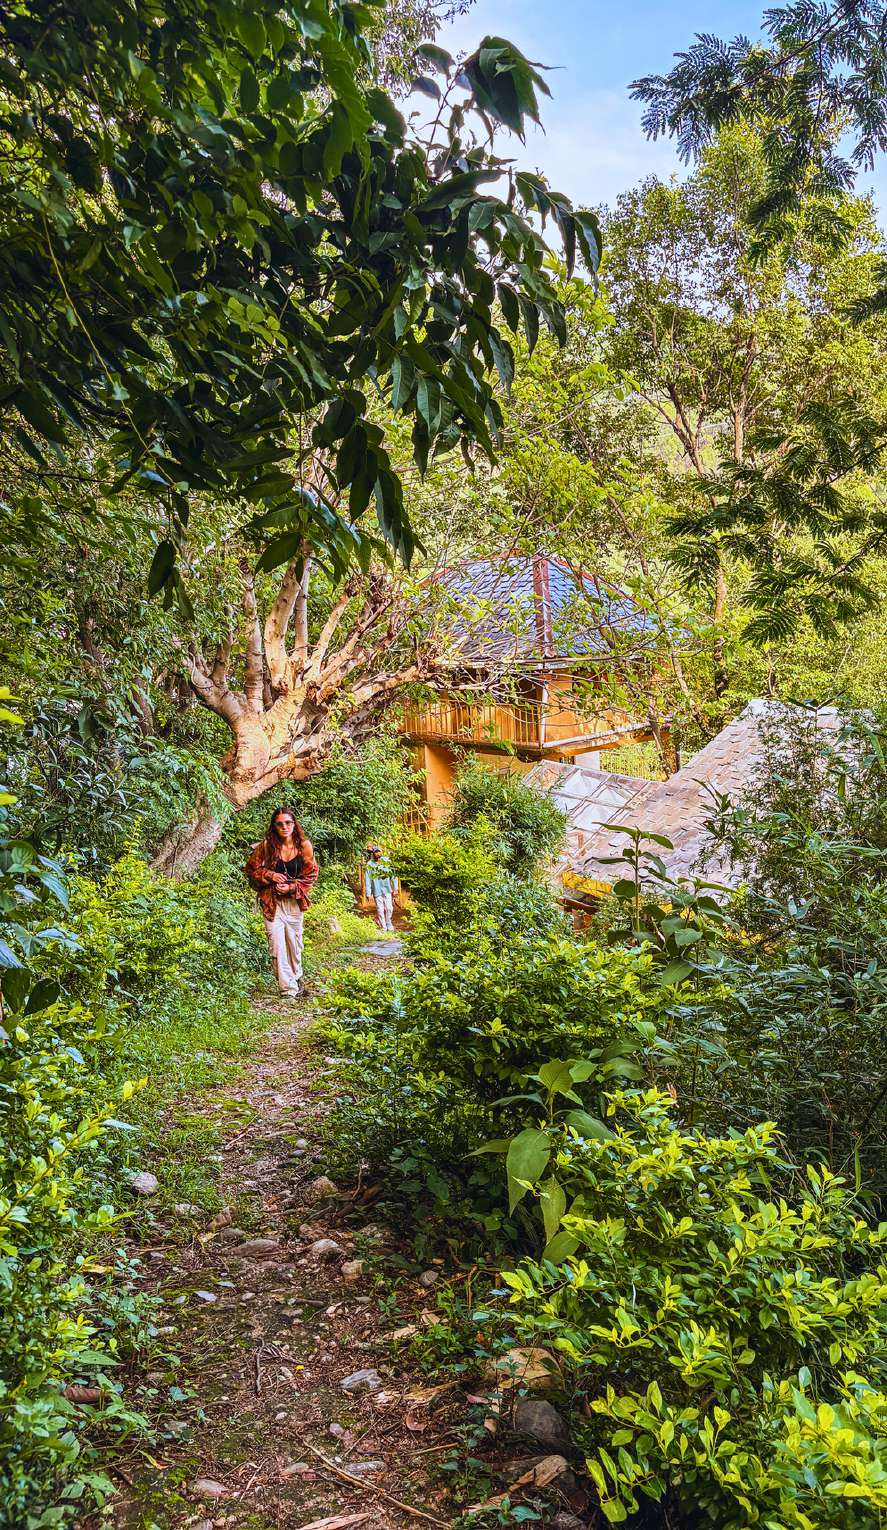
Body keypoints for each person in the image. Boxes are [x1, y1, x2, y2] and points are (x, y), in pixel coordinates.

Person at [245, 808, 318, 997]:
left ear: (294, 824)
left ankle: (296, 978)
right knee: (276, 944)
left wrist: (292, 887)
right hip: (272, 902)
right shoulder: (267, 846)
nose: (284, 827)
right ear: (274, 826)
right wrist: (270, 875)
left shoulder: (304, 846)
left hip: (294, 902)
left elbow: (311, 875)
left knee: (294, 944)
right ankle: (287, 989)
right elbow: (251, 869)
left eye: (288, 823)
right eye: (279, 824)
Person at [364, 844, 398, 933]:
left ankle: (388, 923)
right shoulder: (369, 864)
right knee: (380, 909)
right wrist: (368, 893)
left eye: (379, 851)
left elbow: (393, 876)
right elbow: (367, 879)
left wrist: (395, 888)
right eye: (376, 852)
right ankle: (383, 927)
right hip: (376, 889)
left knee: (389, 908)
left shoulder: (387, 861)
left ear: (382, 852)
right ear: (373, 853)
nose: (378, 853)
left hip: (387, 889)